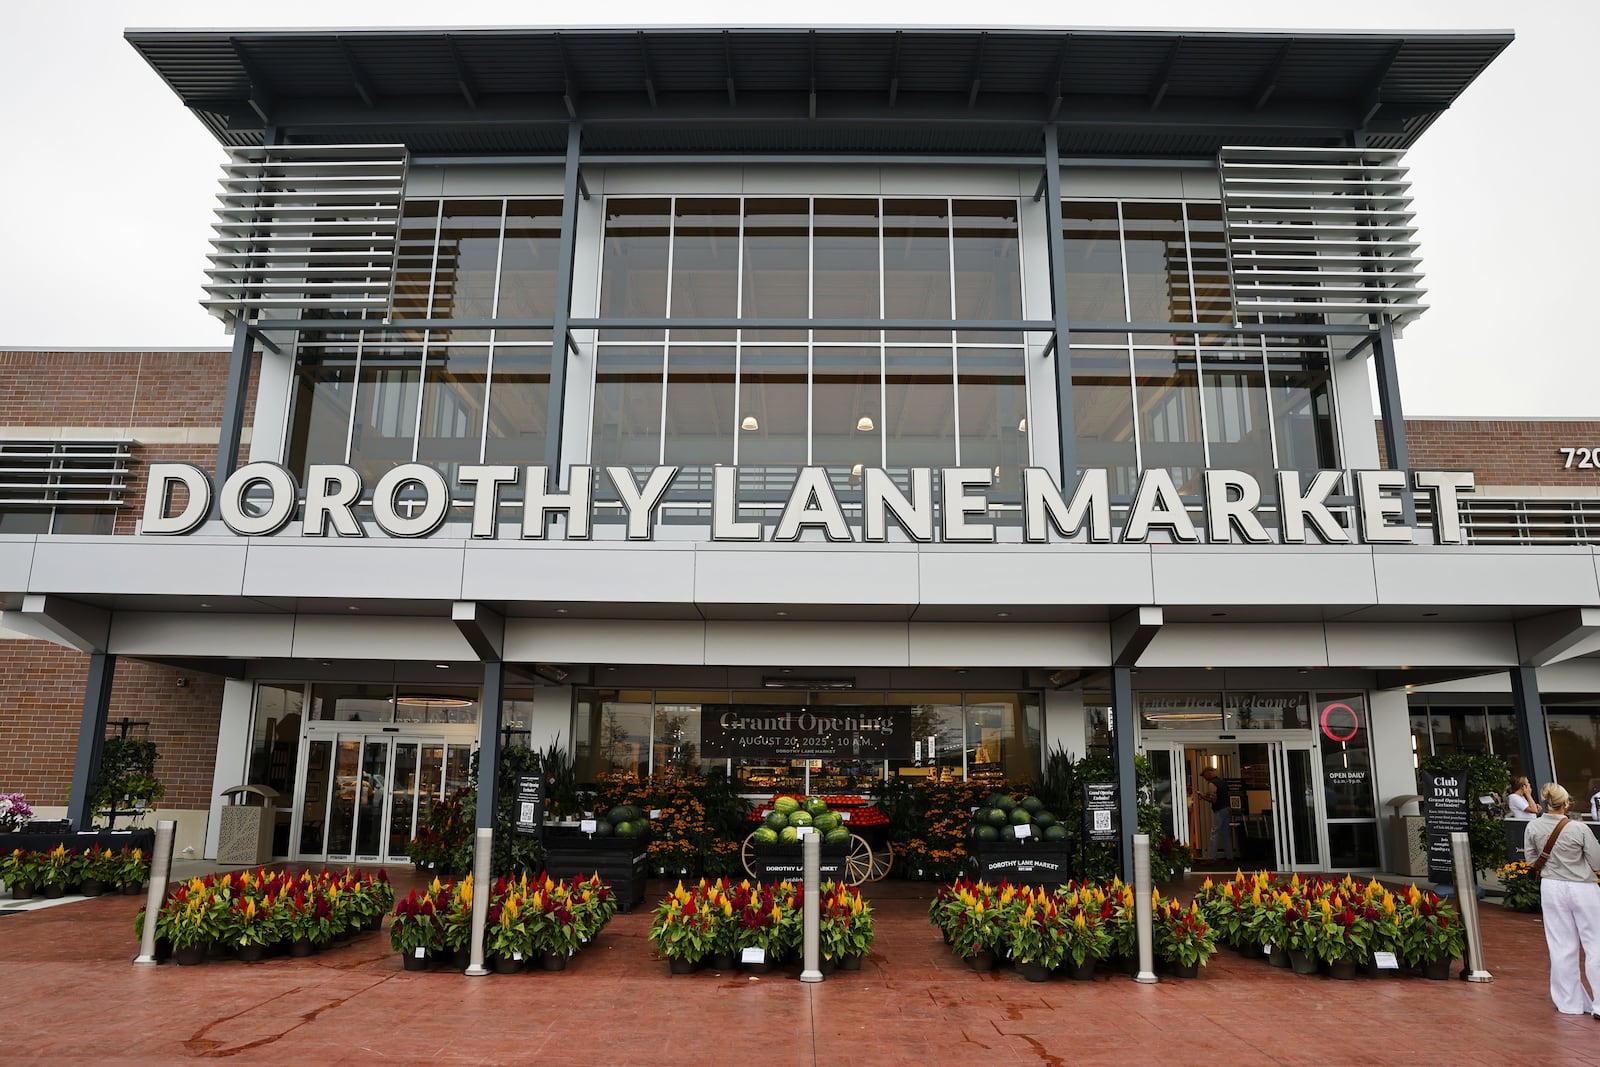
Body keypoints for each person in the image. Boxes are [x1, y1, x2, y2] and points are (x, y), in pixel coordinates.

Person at [1524, 783, 1600, 1017]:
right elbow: (1597, 863)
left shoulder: (1533, 827)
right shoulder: (1579, 828)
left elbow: (1530, 860)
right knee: (1595, 944)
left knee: (1561, 946)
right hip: (1582, 887)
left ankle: (1570, 1003)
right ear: (1566, 804)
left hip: (1551, 887)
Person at [1198, 767, 1234, 862]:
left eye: (1204, 775)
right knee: (1226, 833)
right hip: (1227, 808)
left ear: (1208, 773)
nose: (1204, 778)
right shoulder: (1222, 782)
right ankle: (1230, 857)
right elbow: (1220, 794)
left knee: (1215, 833)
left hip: (1220, 810)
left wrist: (1202, 797)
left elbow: (1213, 800)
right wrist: (1206, 794)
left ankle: (1211, 857)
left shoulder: (1212, 783)